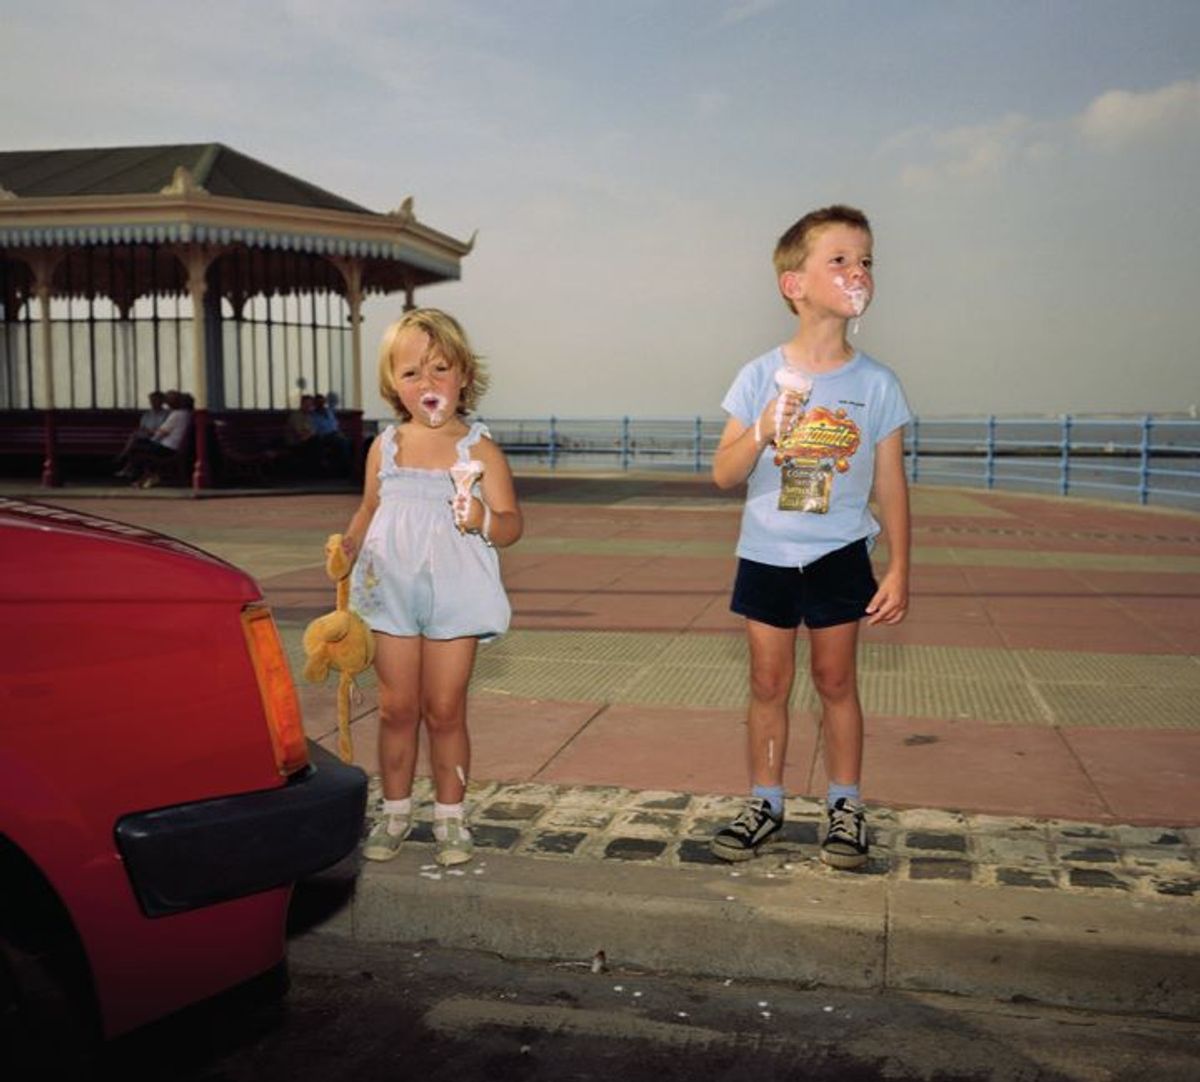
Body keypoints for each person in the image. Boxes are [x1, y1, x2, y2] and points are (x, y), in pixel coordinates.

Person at [709, 205, 911, 870]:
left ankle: (845, 803)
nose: (859, 272)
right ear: (794, 285)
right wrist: (764, 425)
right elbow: (723, 473)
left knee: (835, 679)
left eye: (867, 261)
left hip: (840, 552)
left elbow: (891, 482)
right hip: (766, 551)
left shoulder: (876, 383)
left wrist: (900, 566)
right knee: (768, 682)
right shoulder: (757, 375)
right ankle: (765, 799)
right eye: (841, 260)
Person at [340, 309, 522, 867]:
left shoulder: (481, 451)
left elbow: (512, 524)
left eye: (440, 369)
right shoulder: (385, 447)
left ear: (464, 375)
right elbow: (370, 508)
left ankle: (450, 815)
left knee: (445, 709)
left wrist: (482, 520)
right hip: (390, 591)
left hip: (456, 593)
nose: (428, 385)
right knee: (396, 708)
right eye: (412, 373)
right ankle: (394, 811)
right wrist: (345, 551)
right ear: (393, 383)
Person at [127, 390, 193, 488]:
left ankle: (141, 477)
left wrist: (150, 433)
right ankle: (148, 474)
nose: (166, 403)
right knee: (139, 446)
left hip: (167, 448)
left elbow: (162, 432)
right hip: (175, 446)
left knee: (136, 450)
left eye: (168, 401)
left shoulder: (176, 415)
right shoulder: (188, 414)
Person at [114, 390, 169, 478]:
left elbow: (162, 429)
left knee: (134, 442)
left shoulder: (166, 414)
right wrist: (147, 431)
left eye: (155, 400)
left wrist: (149, 431)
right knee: (135, 442)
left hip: (159, 439)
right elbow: (142, 427)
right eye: (151, 400)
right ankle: (128, 466)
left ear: (162, 401)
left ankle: (124, 458)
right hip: (146, 437)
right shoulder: (147, 414)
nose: (153, 403)